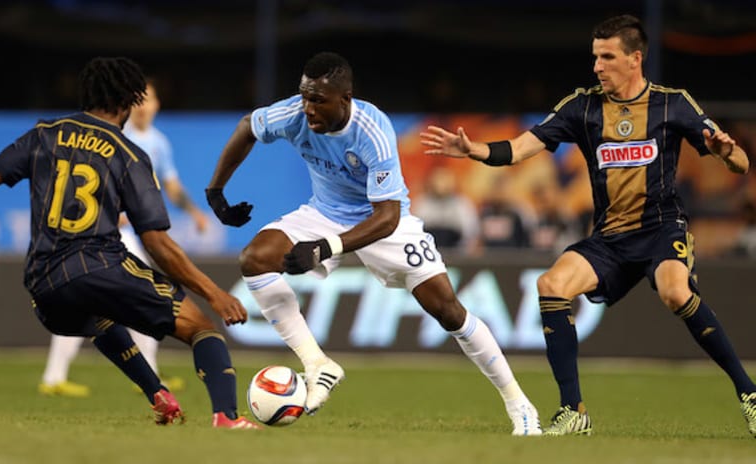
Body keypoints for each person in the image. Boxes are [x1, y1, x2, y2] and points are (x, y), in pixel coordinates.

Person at [421, 14, 756, 437]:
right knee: (550, 285)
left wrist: (727, 153)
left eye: (607, 56)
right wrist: (474, 150)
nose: (597, 66)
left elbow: (741, 164)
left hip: (661, 230)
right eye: (595, 57)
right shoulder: (583, 106)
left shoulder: (674, 103)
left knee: (675, 292)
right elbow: (525, 147)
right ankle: (573, 412)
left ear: (635, 59)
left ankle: (749, 393)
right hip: (610, 238)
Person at [206, 51, 542, 435]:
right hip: (325, 211)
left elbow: (387, 217)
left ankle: (520, 405)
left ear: (345, 99)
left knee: (449, 311)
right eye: (304, 96)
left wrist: (323, 248)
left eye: (318, 100)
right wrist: (216, 191)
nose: (308, 108)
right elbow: (248, 126)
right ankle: (318, 365)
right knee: (255, 259)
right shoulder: (294, 114)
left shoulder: (372, 130)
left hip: (383, 220)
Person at [0, 57, 258, 429]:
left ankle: (157, 394)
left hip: (41, 284)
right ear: (128, 101)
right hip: (99, 262)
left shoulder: (42, 135)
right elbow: (157, 243)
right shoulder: (130, 154)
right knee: (201, 329)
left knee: (99, 320)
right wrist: (214, 293)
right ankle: (227, 417)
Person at [39, 79, 210, 396]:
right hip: (104, 233)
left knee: (118, 299)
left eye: (150, 98)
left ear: (158, 104)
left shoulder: (158, 142)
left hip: (129, 233)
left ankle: (141, 373)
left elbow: (169, 184)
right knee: (141, 295)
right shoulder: (112, 135)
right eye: (138, 99)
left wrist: (195, 212)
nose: (144, 105)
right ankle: (61, 376)